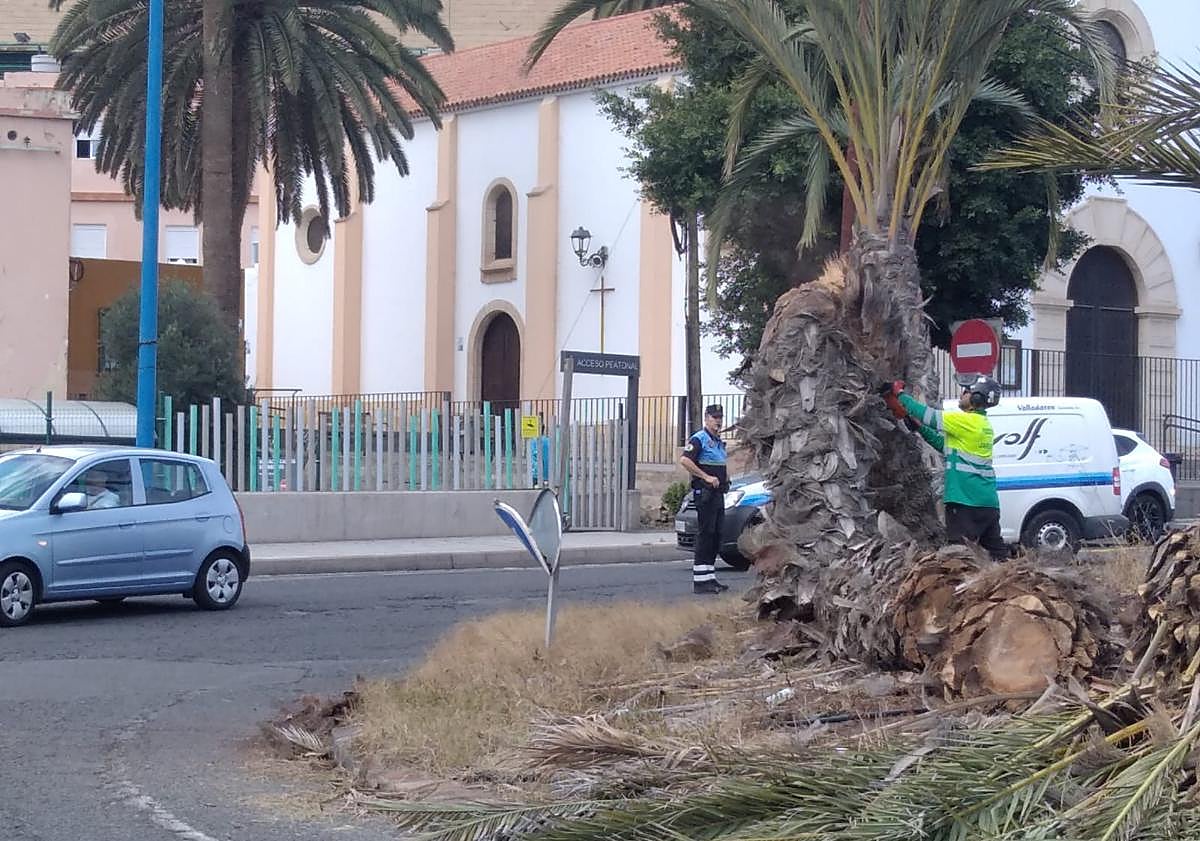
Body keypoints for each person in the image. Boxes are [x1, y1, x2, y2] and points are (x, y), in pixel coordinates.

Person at [879, 375, 1006, 560]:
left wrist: (898, 394)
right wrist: (919, 428)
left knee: (959, 557)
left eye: (967, 391)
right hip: (988, 504)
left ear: (976, 398)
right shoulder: (983, 425)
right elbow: (943, 445)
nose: (962, 394)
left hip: (965, 502)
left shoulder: (966, 421)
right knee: (998, 556)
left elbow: (927, 415)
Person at [679, 404, 731, 594]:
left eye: (720, 417)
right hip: (706, 494)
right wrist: (705, 476)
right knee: (706, 534)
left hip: (718, 494)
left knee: (716, 535)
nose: (718, 421)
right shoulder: (699, 438)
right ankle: (700, 582)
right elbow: (685, 460)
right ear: (706, 418)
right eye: (714, 417)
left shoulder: (717, 441)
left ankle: (710, 577)